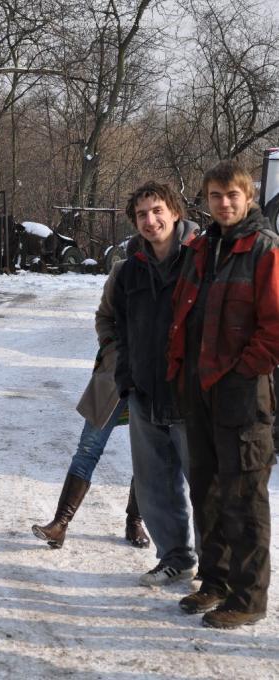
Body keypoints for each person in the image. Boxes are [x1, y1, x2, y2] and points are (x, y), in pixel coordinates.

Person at [168, 160, 279, 629]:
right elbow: (183, 315)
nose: (224, 203)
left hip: (243, 392)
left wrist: (242, 372)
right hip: (199, 388)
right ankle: (214, 582)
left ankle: (248, 597)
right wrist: (180, 373)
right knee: (207, 491)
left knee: (244, 495)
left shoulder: (265, 248)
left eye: (232, 195)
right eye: (215, 196)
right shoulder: (201, 247)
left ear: (248, 197)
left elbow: (275, 327)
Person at [113, 182, 199, 586]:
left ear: (175, 212)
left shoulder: (200, 261)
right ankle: (174, 557)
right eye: (142, 214)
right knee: (154, 487)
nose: (150, 220)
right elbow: (120, 327)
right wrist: (127, 377)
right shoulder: (130, 269)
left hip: (191, 394)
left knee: (206, 486)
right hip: (145, 391)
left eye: (157, 210)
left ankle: (215, 571)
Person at [32, 258, 150, 550]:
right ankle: (60, 524)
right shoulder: (123, 269)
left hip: (154, 381)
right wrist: (111, 349)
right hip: (115, 376)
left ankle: (135, 520)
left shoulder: (177, 267)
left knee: (146, 455)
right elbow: (104, 316)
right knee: (88, 448)